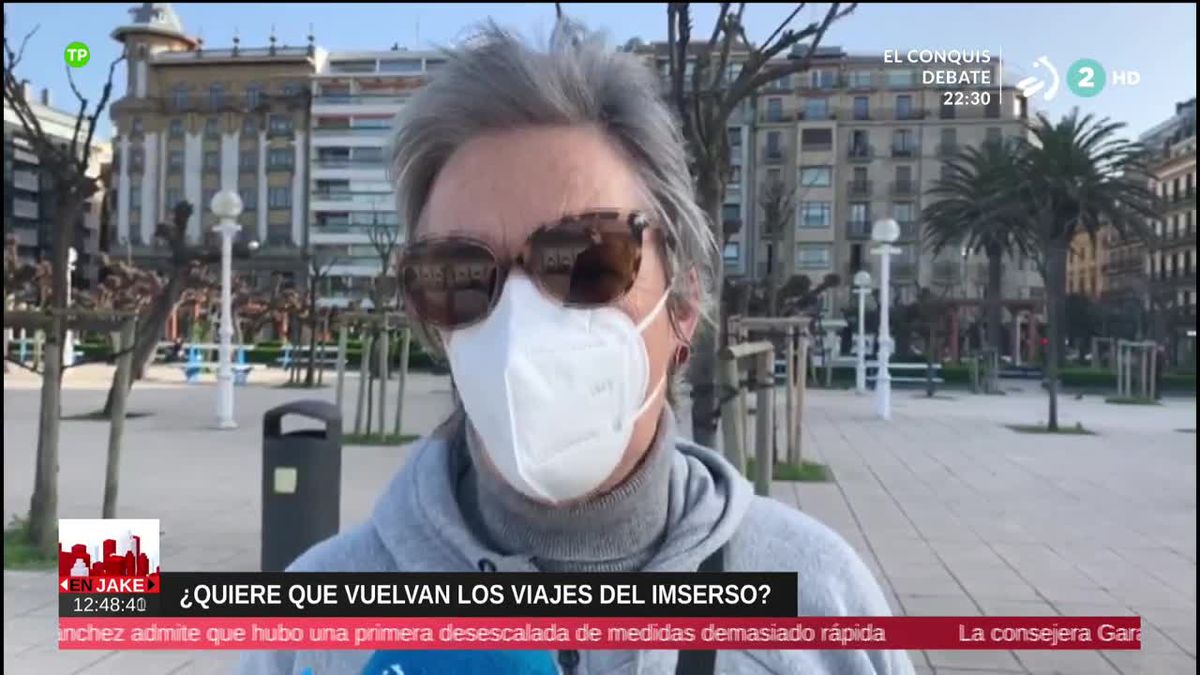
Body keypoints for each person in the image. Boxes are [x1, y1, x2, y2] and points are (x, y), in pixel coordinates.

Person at [239, 19, 913, 675]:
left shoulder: (820, 607)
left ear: (683, 302)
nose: (520, 323)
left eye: (586, 261)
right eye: (459, 276)